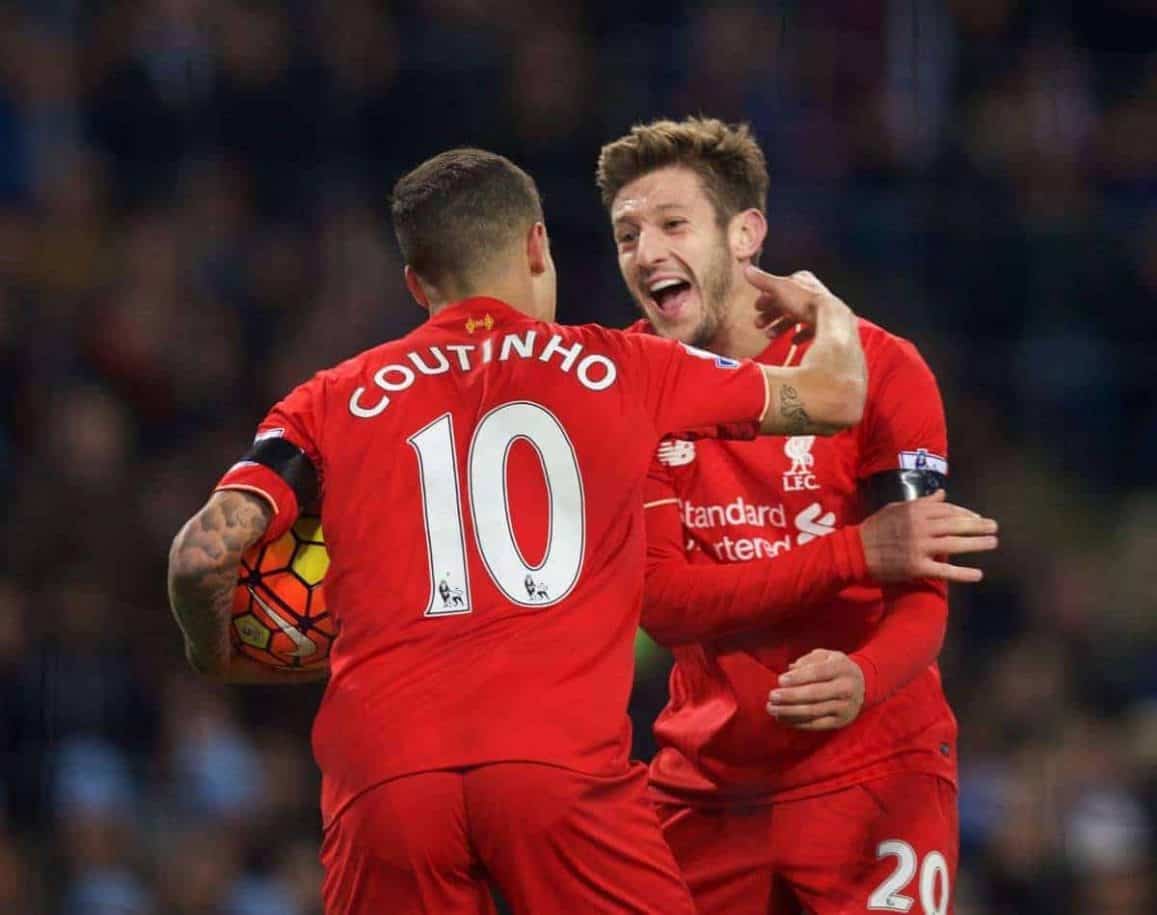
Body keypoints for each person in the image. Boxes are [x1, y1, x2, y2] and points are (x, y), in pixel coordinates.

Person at [166, 147, 874, 915]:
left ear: (416, 285)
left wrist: (221, 657)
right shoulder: (622, 366)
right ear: (537, 244)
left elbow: (201, 555)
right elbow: (835, 396)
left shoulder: (330, 399)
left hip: (386, 783)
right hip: (559, 774)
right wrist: (825, 311)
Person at [596, 117, 989, 914]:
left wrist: (862, 674)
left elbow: (921, 599)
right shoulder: (625, 386)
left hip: (877, 769)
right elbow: (664, 603)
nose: (645, 252)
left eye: (672, 224)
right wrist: (853, 553)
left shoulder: (884, 367)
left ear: (744, 234)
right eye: (626, 234)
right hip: (706, 788)